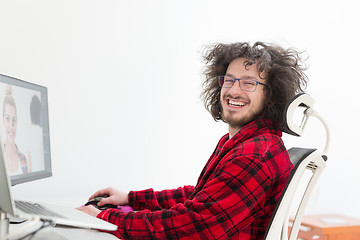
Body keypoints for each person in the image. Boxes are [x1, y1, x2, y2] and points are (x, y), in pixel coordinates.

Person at [77, 41, 308, 239]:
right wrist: (131, 199)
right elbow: (201, 198)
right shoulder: (245, 142)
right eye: (228, 80)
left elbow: (196, 227)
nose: (234, 91)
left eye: (249, 83)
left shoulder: (254, 154)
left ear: (271, 95)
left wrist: (105, 218)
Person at [2, 85, 31, 175]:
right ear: (2, 119)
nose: (11, 125)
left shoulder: (24, 158)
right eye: (7, 118)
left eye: (14, 119)